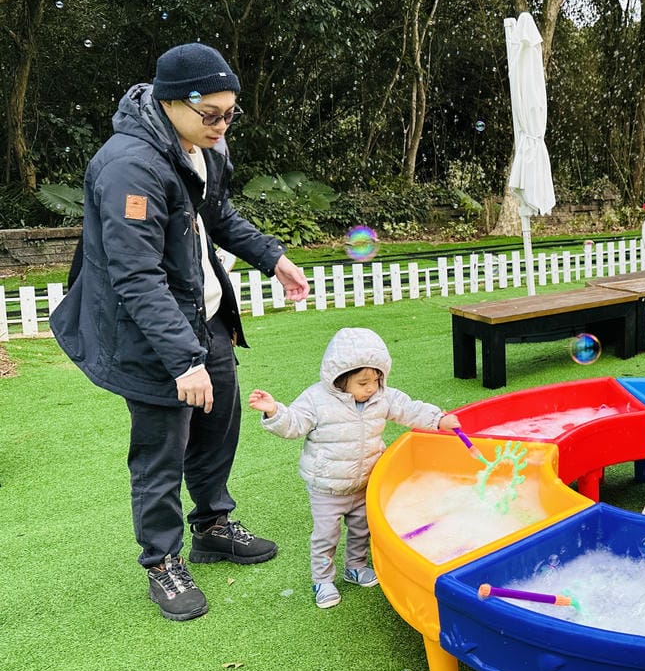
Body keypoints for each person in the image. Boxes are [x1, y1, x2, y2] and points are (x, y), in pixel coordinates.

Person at [50, 43, 311, 622]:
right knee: (160, 451)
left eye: (230, 113)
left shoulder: (204, 147)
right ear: (172, 102)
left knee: (219, 426)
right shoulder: (128, 167)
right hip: (146, 338)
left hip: (203, 315)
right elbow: (135, 276)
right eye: (211, 114)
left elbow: (217, 217)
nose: (222, 127)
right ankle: (162, 562)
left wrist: (273, 258)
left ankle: (213, 527)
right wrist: (181, 360)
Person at [247, 327, 461, 609]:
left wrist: (438, 419)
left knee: (362, 529)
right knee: (326, 535)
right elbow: (294, 424)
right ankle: (322, 579)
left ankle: (355, 566)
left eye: (375, 379)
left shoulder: (382, 396)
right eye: (363, 383)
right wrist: (274, 411)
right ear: (340, 379)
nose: (371, 387)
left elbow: (409, 408)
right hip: (327, 487)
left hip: (365, 483)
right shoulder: (316, 399)